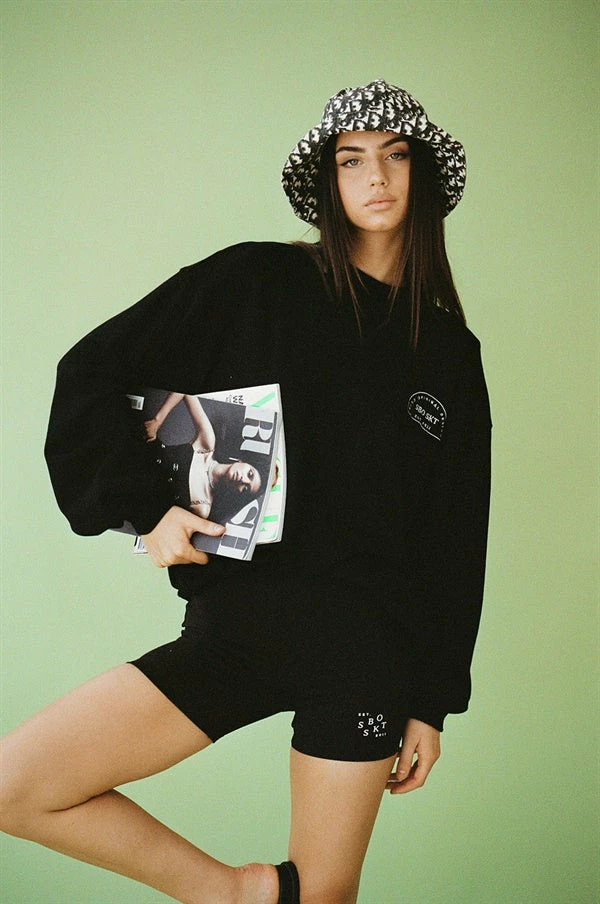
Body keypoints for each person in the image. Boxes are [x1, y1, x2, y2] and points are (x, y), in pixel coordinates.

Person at [0, 79, 491, 904]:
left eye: (396, 156)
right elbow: (91, 374)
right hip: (238, 629)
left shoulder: (447, 350)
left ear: (423, 174)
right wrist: (146, 509)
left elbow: (455, 535)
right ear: (328, 182)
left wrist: (433, 703)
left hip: (368, 651)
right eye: (351, 160)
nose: (376, 176)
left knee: (324, 897)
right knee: (17, 785)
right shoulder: (256, 280)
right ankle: (235, 896)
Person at [143, 391, 267, 520]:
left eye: (246, 488)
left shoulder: (202, 507)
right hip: (139, 447)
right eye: (250, 474)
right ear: (242, 461)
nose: (244, 480)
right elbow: (186, 393)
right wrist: (157, 422)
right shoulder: (206, 445)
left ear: (237, 495)